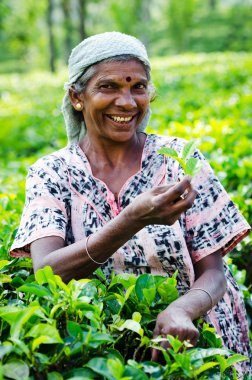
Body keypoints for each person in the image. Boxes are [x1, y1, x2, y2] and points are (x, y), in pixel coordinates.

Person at [10, 31, 251, 376]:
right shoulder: (53, 173)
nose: (127, 103)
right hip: (104, 353)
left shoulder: (178, 160)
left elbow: (214, 271)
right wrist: (132, 219)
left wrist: (182, 310)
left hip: (200, 344)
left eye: (138, 87)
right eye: (108, 87)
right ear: (77, 97)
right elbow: (48, 271)